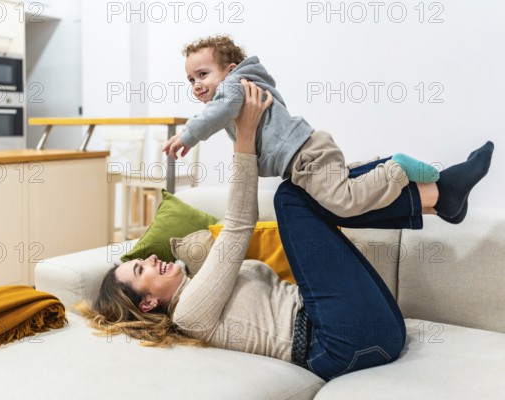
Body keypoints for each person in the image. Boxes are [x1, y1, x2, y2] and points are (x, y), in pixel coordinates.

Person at [80, 80, 494, 381]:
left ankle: (440, 196)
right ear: (149, 304)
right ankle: (439, 194)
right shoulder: (190, 312)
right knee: (289, 197)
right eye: (140, 271)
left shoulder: (197, 280)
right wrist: (244, 138)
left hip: (372, 327)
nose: (150, 259)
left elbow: (214, 241)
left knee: (310, 191)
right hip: (342, 343)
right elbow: (239, 228)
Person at [163, 35, 468, 222]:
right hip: (305, 155)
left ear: (229, 70)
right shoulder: (239, 89)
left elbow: (219, 111)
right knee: (337, 197)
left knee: (344, 203)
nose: (196, 84)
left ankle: (396, 168)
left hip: (305, 155)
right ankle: (417, 192)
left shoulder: (233, 87)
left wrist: (188, 134)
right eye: (190, 79)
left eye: (203, 74)